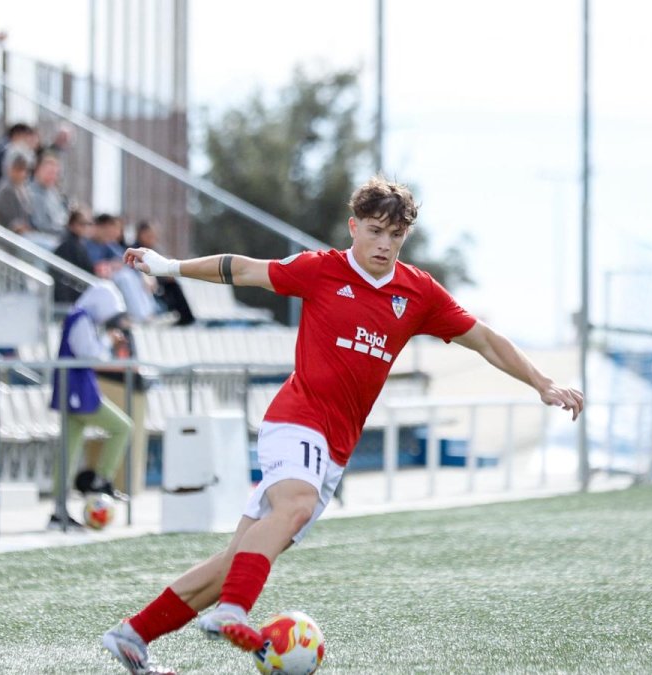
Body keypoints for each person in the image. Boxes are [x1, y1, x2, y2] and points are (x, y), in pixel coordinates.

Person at [99, 175, 585, 673]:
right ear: (354, 227)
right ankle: (233, 611)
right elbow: (243, 269)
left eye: (396, 235)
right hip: (296, 421)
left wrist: (542, 383)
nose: (384, 244)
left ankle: (133, 635)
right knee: (295, 506)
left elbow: (485, 340)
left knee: (237, 561)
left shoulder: (417, 292)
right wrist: (168, 266)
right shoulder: (321, 270)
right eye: (375, 231)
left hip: (335, 448)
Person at [48, 282, 132, 530]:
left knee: (68, 450)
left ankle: (58, 509)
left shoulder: (80, 317)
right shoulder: (81, 318)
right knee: (122, 427)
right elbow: (90, 354)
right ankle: (100, 480)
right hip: (77, 389)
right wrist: (107, 342)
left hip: (74, 387)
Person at [134, 221, 194, 326]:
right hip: (146, 281)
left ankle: (185, 317)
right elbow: (138, 267)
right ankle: (182, 317)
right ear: (140, 234)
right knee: (170, 285)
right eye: (149, 235)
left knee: (174, 284)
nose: (152, 238)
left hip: (159, 280)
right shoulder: (135, 249)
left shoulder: (155, 249)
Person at [51, 207, 96, 305]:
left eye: (88, 224)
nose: (85, 227)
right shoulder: (68, 246)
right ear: (71, 225)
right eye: (82, 224)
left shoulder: (79, 244)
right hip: (71, 300)